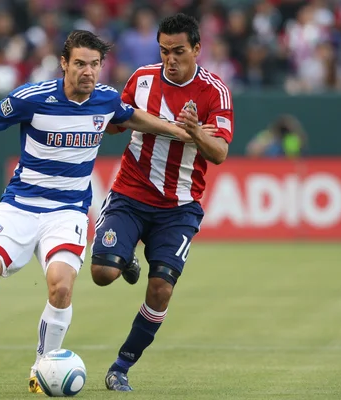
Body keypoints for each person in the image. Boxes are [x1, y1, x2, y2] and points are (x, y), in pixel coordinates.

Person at [0, 30, 217, 393]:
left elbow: (136, 118)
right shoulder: (33, 98)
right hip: (19, 206)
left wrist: (183, 133)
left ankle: (42, 367)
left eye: (95, 65)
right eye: (81, 64)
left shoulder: (105, 100)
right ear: (64, 64)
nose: (89, 72)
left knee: (61, 288)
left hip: (67, 213)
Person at [89, 14, 234, 392]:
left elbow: (218, 153)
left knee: (161, 290)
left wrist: (195, 131)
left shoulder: (214, 92)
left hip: (180, 207)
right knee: (103, 274)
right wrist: (102, 120)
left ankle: (121, 366)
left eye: (179, 51)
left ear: (197, 49)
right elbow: (117, 121)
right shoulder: (141, 80)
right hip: (130, 194)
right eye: (165, 51)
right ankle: (124, 256)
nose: (171, 59)